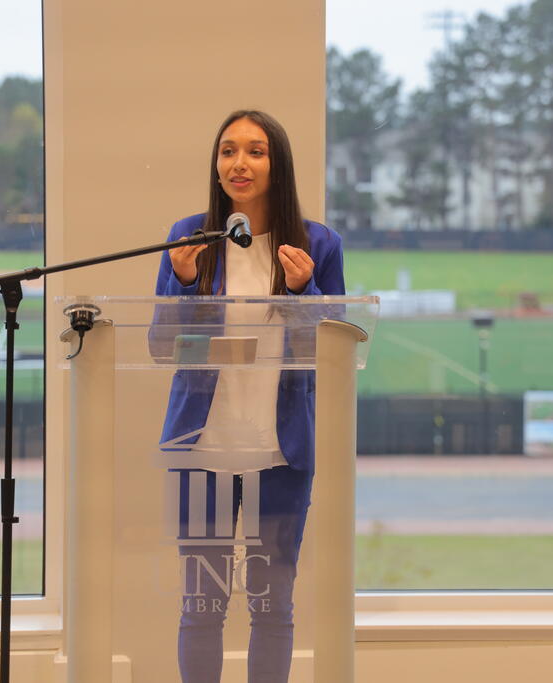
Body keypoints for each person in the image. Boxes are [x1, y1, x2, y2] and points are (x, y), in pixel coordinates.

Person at [154, 110, 345, 682]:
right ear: (215, 166)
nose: (239, 163)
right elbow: (165, 347)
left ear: (277, 164)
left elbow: (329, 351)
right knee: (202, 610)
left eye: (255, 151)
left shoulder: (319, 244)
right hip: (201, 452)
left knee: (272, 609)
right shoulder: (189, 238)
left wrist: (303, 290)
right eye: (228, 151)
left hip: (280, 456)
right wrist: (186, 285)